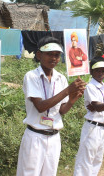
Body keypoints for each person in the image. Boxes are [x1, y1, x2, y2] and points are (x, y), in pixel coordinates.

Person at [16, 36, 86, 176]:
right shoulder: (31, 77)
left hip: (54, 137)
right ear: (39, 54)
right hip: (35, 137)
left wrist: (72, 100)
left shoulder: (61, 78)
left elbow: (62, 110)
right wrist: (67, 90)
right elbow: (41, 107)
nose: (53, 58)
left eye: (57, 55)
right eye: (49, 54)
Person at [73, 57, 104, 176]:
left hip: (103, 127)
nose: (100, 74)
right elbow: (98, 106)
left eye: (103, 71)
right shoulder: (90, 87)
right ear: (91, 71)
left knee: (97, 159)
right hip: (92, 128)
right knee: (85, 160)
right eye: (97, 71)